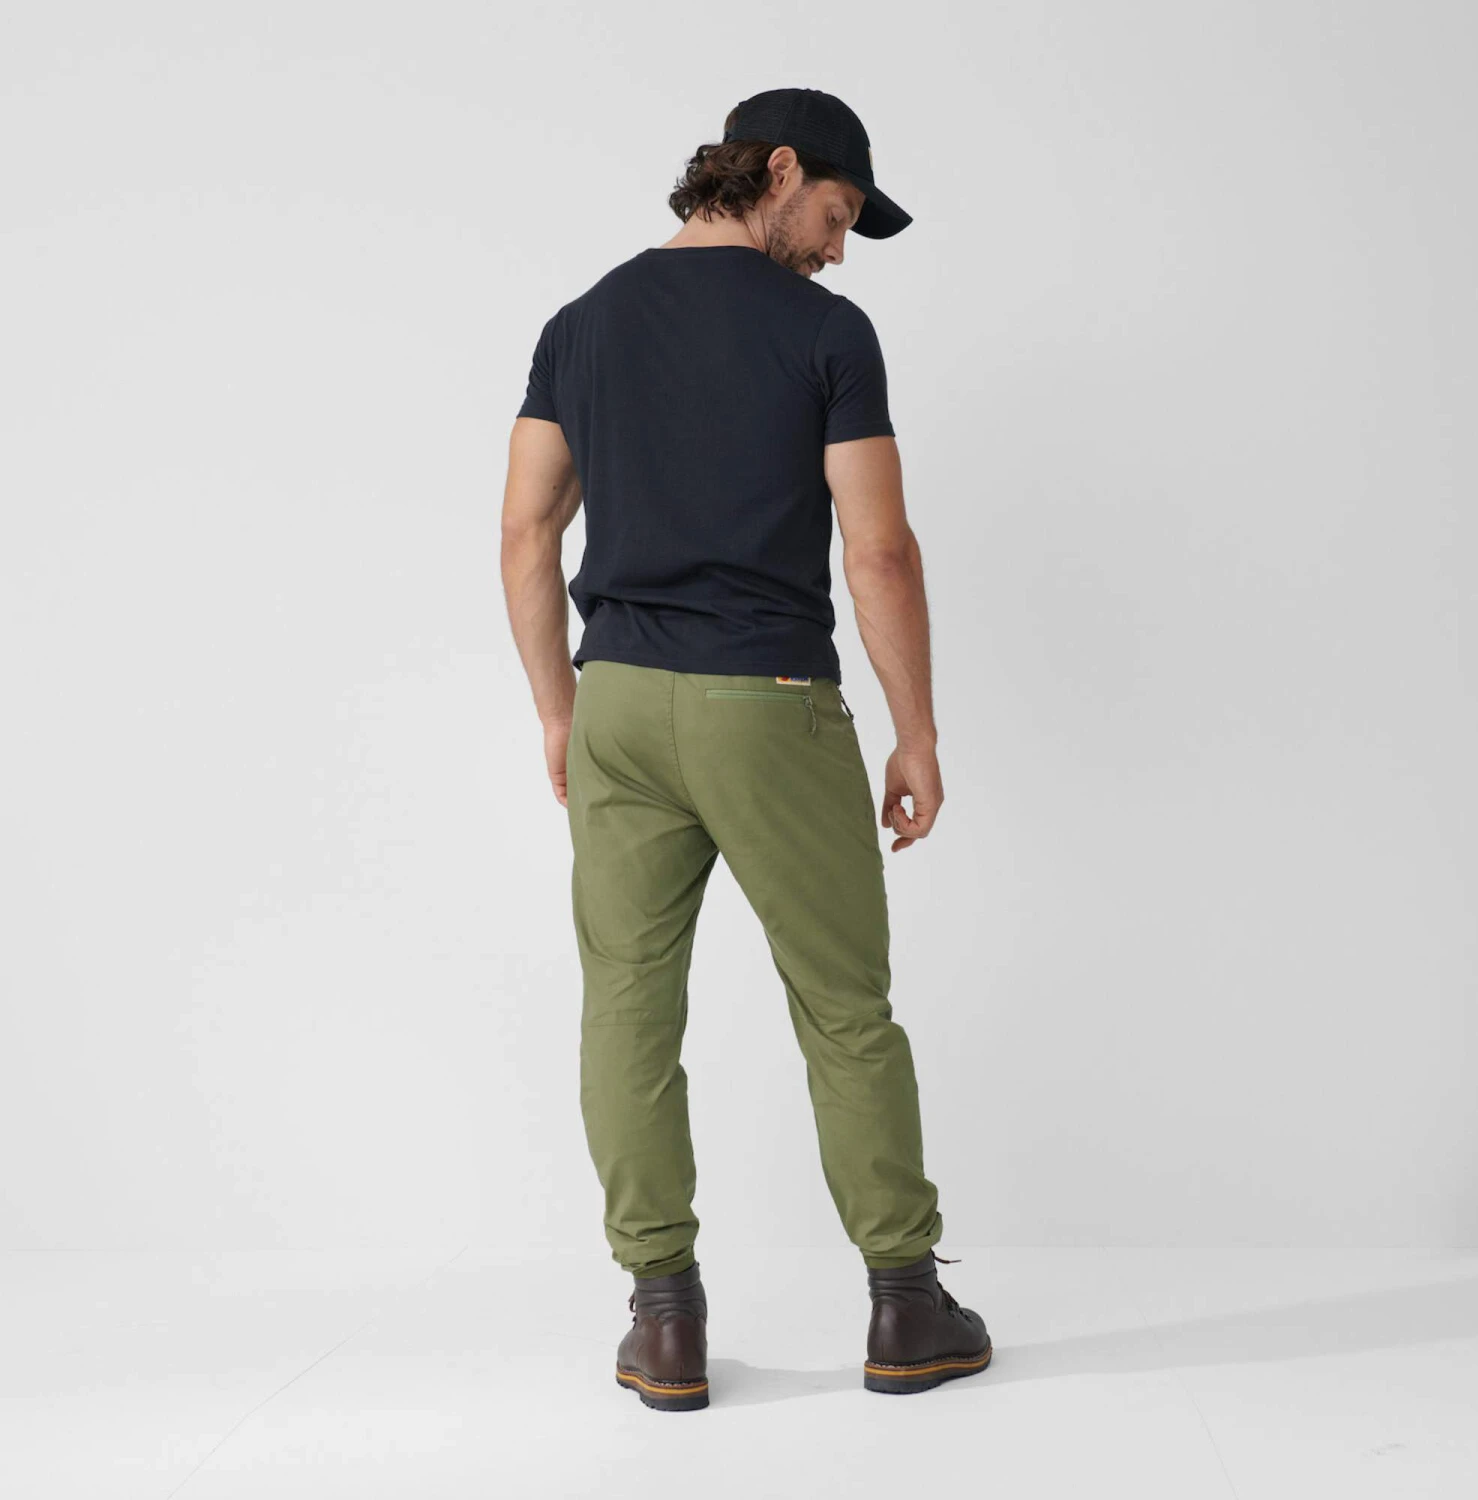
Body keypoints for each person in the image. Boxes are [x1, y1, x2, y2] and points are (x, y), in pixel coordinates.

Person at [500, 87, 991, 1409]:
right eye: (836, 214)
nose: (838, 250)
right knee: (843, 1007)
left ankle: (663, 1320)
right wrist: (917, 732)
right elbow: (879, 550)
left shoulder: (581, 323)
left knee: (626, 1005)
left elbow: (527, 531)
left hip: (618, 700)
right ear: (776, 171)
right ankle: (907, 1306)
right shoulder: (826, 335)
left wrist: (559, 708)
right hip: (767, 702)